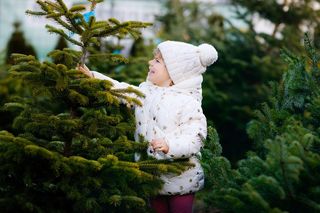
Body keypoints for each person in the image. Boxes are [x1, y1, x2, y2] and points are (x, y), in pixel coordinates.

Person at [78, 40, 218, 213]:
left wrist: (170, 146)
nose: (150, 62)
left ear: (175, 73)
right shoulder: (146, 91)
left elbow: (195, 138)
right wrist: (95, 78)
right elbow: (123, 90)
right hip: (152, 175)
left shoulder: (188, 102)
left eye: (158, 61)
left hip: (181, 177)